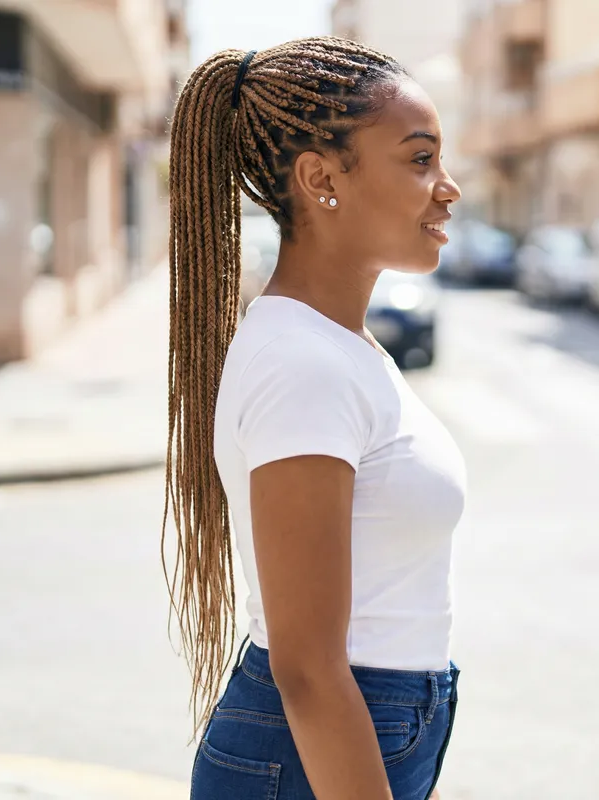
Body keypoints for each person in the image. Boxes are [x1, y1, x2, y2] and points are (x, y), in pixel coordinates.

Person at [162, 36, 466, 800]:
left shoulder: (336, 345)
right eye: (419, 159)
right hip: (312, 750)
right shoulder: (303, 364)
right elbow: (307, 668)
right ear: (321, 177)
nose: (448, 187)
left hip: (348, 736)